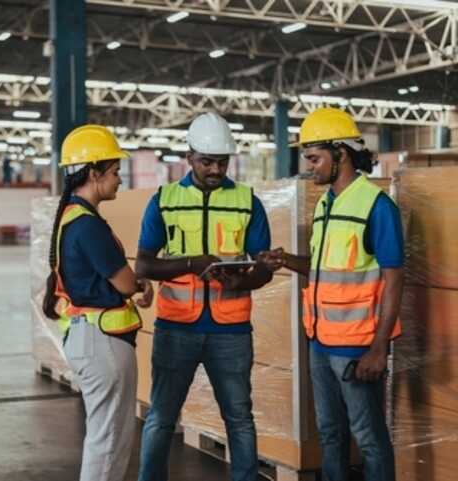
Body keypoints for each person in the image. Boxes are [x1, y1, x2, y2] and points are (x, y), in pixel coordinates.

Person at [259, 107, 403, 481]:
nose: (310, 166)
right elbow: (324, 269)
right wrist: (286, 259)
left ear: (341, 153)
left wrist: (378, 347)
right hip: (321, 343)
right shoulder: (326, 205)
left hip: (357, 346)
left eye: (314, 158)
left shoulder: (376, 206)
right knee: (330, 434)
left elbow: (394, 277)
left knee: (369, 438)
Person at [136, 112, 273, 481]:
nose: (215, 169)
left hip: (231, 330)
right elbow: (144, 266)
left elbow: (263, 267)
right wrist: (192, 263)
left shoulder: (247, 202)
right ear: (190, 157)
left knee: (240, 419)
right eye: (207, 161)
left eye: (222, 162)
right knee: (162, 417)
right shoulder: (164, 201)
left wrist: (240, 282)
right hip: (176, 327)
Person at [42, 124, 154, 481]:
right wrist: (140, 284)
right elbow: (123, 281)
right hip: (102, 343)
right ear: (93, 173)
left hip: (88, 337)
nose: (120, 179)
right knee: (108, 441)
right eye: (115, 171)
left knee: (106, 438)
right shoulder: (87, 225)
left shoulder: (72, 218)